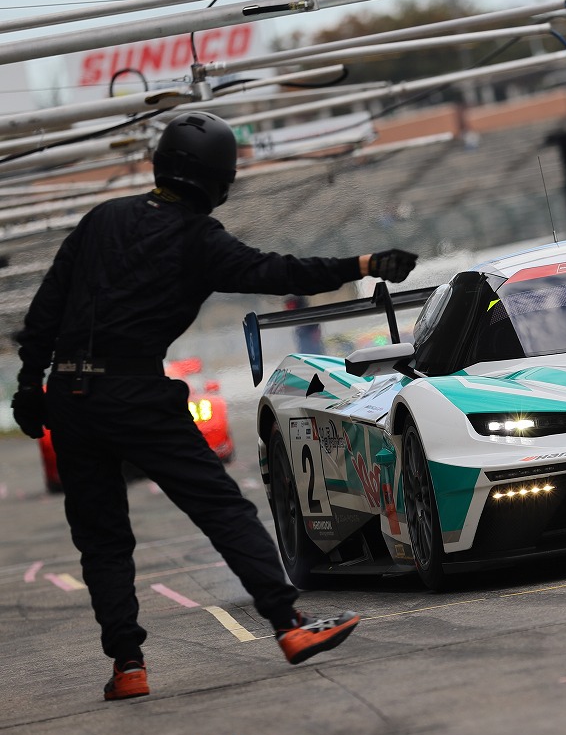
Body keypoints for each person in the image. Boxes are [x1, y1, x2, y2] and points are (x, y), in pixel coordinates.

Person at [9, 111, 419, 700]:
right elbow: (273, 271)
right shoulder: (198, 238)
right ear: (216, 179)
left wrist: (31, 385)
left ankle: (128, 666)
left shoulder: (102, 219)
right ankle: (289, 624)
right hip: (138, 393)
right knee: (221, 509)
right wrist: (363, 265)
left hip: (71, 397)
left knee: (102, 540)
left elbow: (45, 310)